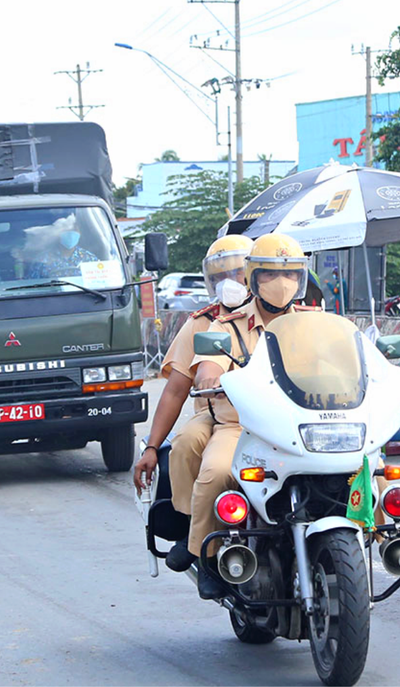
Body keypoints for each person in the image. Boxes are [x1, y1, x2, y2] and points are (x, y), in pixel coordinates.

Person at [188, 233, 314, 599]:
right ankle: (207, 559)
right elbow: (207, 368)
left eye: (291, 275)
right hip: (244, 427)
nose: (282, 284)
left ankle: (382, 535)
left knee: (372, 469)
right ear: (252, 278)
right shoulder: (226, 326)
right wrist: (212, 374)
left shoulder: (314, 324)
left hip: (304, 426)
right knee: (214, 473)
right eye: (271, 275)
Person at [132, 234, 254, 572]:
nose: (230, 283)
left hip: (279, 419)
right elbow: (175, 390)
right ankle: (193, 531)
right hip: (219, 417)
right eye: (220, 276)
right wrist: (152, 447)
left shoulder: (284, 316)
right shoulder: (202, 323)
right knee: (186, 445)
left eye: (239, 273)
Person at [28, 228, 99, 279]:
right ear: (58, 233)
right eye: (66, 230)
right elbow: (32, 286)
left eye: (74, 230)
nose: (71, 234)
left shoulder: (89, 259)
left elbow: (99, 283)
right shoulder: (42, 260)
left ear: (80, 233)